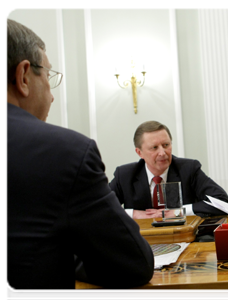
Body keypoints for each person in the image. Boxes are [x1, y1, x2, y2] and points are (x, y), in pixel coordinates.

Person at [5, 18, 154, 300]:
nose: (50, 97)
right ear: (23, 76)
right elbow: (132, 264)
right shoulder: (63, 152)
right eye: (47, 77)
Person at [110, 121, 228, 219]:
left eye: (166, 145)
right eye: (154, 148)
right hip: (141, 242)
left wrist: (179, 212)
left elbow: (222, 202)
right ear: (139, 152)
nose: (162, 153)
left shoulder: (188, 169)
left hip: (185, 238)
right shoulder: (125, 175)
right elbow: (99, 208)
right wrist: (134, 214)